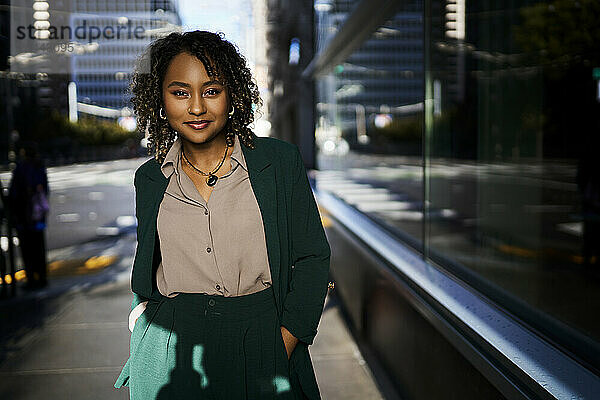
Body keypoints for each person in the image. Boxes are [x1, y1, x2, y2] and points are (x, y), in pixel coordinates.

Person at [114, 30, 332, 400]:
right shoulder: (149, 179)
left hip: (261, 339)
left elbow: (312, 256)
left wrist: (286, 340)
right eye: (180, 93)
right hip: (170, 349)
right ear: (161, 102)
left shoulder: (278, 163)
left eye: (211, 90)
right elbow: (149, 264)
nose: (196, 107)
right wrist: (141, 322)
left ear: (232, 96)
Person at [8, 142, 50, 289]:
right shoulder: (39, 167)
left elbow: (14, 193)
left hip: (24, 215)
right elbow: (45, 190)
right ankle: (42, 276)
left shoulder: (21, 169)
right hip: (38, 215)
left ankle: (31, 277)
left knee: (27, 248)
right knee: (39, 246)